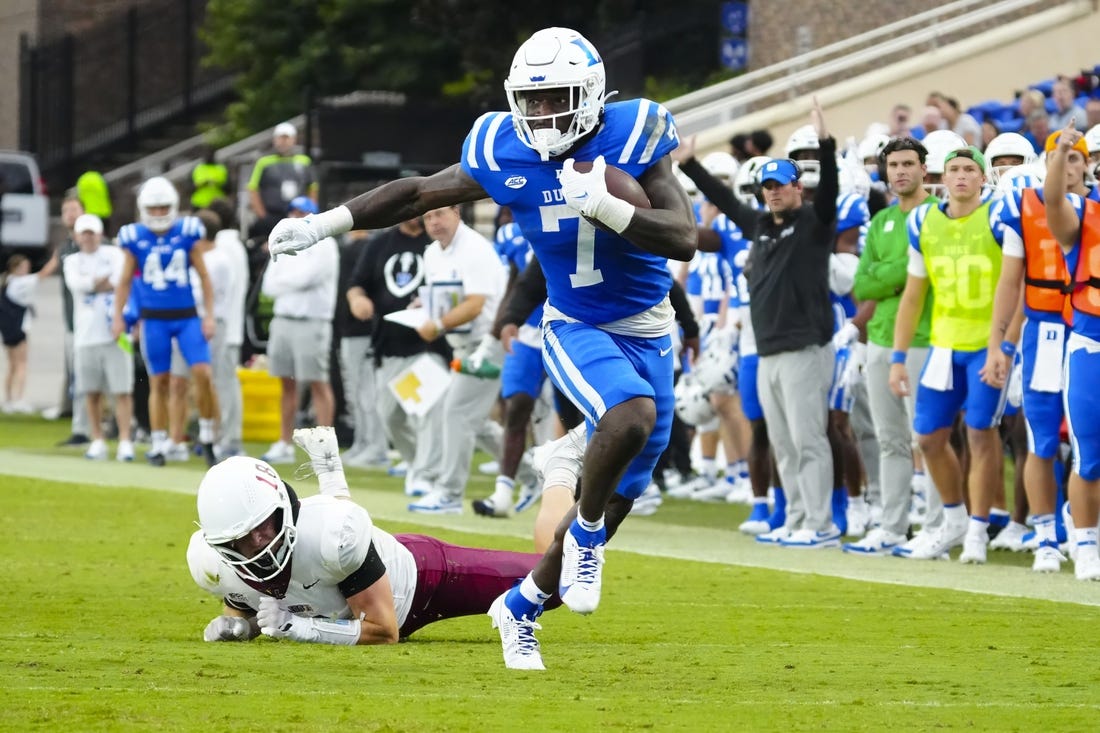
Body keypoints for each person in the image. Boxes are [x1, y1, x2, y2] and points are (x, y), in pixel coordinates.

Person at [267, 27, 695, 670]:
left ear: (591, 94)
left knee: (618, 489)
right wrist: (324, 224)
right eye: (534, 99)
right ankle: (583, 535)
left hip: (651, 326)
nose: (544, 114)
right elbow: (415, 192)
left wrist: (606, 206)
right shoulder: (504, 148)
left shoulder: (636, 133)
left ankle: (518, 608)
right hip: (574, 322)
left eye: (557, 98)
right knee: (628, 419)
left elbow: (683, 237)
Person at [188, 426, 561, 648]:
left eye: (264, 527)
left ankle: (560, 471)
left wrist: (299, 628)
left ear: (283, 509)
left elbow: (384, 632)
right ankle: (330, 471)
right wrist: (241, 627)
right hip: (355, 571)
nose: (259, 544)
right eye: (241, 540)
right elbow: (256, 606)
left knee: (560, 579)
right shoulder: (212, 566)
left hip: (421, 579)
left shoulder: (333, 535)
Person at [674, 99, 838, 548]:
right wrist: (690, 166)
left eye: (780, 186)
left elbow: (829, 198)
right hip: (766, 347)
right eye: (767, 186)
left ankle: (820, 523)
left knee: (808, 440)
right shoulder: (761, 225)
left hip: (805, 345)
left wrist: (825, 142)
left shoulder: (813, 224)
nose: (772, 192)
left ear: (797, 188)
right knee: (784, 442)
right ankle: (799, 517)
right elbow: (726, 202)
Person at [889, 146, 1007, 564]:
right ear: (943, 175)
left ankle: (978, 529)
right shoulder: (924, 220)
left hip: (985, 345)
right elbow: (913, 295)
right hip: (943, 344)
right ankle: (954, 519)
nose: (960, 177)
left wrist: (1004, 345)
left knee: (980, 434)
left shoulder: (997, 216)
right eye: (953, 169)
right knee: (928, 437)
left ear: (982, 177)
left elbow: (1018, 284)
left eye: (968, 170)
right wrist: (898, 357)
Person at [983, 132, 1091, 573]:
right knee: (1042, 438)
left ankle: (1079, 523)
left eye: (1075, 159)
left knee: (1088, 443)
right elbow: (1011, 283)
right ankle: (1046, 531)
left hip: (1088, 327)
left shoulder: (1095, 205)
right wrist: (1000, 344)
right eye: (1057, 159)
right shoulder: (1022, 206)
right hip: (1046, 329)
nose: (1066, 167)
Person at [845, 137, 939, 555]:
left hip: (924, 337)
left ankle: (937, 527)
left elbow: (925, 272)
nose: (900, 171)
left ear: (923, 168)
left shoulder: (937, 215)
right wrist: (897, 276)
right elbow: (862, 282)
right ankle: (893, 527)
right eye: (893, 165)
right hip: (880, 338)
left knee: (928, 438)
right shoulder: (882, 218)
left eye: (908, 164)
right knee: (890, 440)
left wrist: (890, 274)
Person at [406, 205, 510, 514]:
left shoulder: (476, 248)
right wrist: (420, 308)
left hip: (488, 344)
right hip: (461, 346)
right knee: (473, 423)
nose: (433, 222)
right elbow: (442, 299)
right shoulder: (432, 254)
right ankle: (534, 472)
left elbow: (476, 305)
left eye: (439, 214)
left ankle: (449, 494)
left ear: (457, 212)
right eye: (427, 217)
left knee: (456, 413)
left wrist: (436, 325)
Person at [111, 176, 220, 467]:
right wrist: (118, 317)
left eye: (164, 208)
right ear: (144, 208)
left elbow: (205, 277)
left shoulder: (187, 232)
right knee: (158, 381)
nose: (159, 213)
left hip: (186, 317)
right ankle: (159, 443)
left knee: (203, 375)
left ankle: (208, 436)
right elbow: (123, 281)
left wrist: (209, 315)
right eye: (154, 208)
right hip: (154, 319)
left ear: (172, 207)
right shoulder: (133, 237)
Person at [345, 216, 446, 498]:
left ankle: (426, 472)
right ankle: (417, 463)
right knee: (391, 416)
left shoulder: (435, 245)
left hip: (426, 347)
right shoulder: (380, 243)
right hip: (387, 346)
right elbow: (357, 283)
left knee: (425, 410)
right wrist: (357, 300)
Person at [1041, 120, 1100, 581]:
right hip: (1090, 342)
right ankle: (1086, 544)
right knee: (1089, 454)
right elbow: (1054, 202)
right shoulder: (1083, 214)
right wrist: (1062, 152)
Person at [259, 195, 339, 463]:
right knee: (286, 384)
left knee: (318, 383)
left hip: (312, 320)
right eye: (293, 211)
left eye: (302, 212)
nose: (296, 216)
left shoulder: (326, 244)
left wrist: (287, 280)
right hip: (283, 319)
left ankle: (324, 449)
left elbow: (309, 277)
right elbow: (269, 286)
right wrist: (291, 281)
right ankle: (284, 442)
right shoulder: (281, 240)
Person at [62, 213, 134, 461]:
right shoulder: (71, 261)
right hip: (85, 334)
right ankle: (97, 439)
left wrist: (98, 283)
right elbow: (77, 284)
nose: (88, 238)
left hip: (114, 331)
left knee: (121, 390)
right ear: (77, 236)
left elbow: (120, 280)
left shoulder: (114, 254)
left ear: (99, 234)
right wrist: (98, 283)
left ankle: (125, 440)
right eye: (84, 233)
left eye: (92, 233)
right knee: (90, 391)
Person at [1, 250, 59, 413]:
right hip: (18, 328)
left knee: (12, 366)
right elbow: (44, 273)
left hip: (7, 329)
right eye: (24, 267)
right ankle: (19, 399)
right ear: (16, 268)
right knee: (21, 365)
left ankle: (8, 400)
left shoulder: (8, 283)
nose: (27, 270)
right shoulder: (20, 282)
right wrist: (56, 256)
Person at [55, 194, 92, 445]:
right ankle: (82, 427)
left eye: (74, 209)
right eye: (66, 209)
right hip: (71, 322)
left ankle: (87, 428)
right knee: (77, 377)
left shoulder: (94, 243)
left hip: (94, 324)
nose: (70, 214)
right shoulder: (64, 248)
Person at [247, 122, 317, 240]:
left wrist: (310, 213)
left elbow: (313, 187)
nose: (283, 141)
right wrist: (262, 215)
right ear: (275, 140)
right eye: (280, 137)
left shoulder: (304, 161)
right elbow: (253, 189)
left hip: (297, 215)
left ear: (294, 140)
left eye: (287, 138)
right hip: (271, 215)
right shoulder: (264, 162)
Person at [191, 145, 230, 210]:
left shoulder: (221, 168)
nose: (208, 156)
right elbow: (189, 188)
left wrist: (217, 184)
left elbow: (229, 188)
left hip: (217, 205)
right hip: (199, 204)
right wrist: (200, 184)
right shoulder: (197, 168)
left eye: (210, 154)